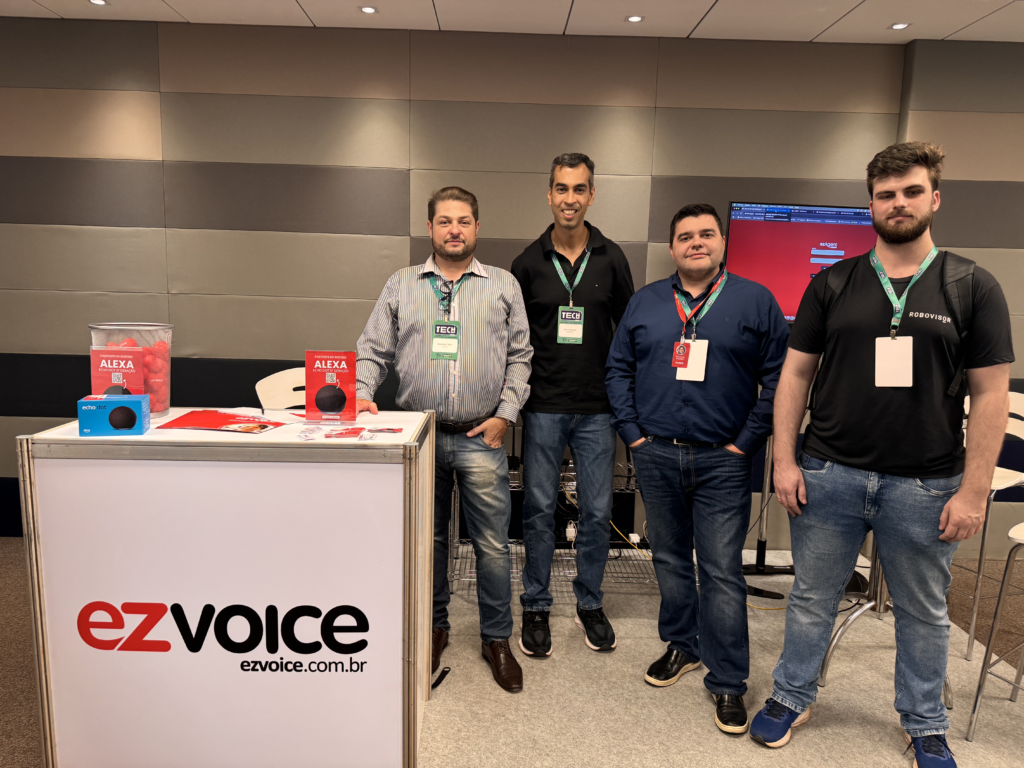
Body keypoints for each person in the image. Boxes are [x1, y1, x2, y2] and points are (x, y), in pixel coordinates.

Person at [750, 142, 1013, 768]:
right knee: (812, 597)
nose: (899, 203)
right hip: (829, 473)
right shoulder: (833, 283)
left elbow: (991, 394)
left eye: (911, 191)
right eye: (886, 194)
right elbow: (794, 376)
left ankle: (924, 723)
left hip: (925, 485)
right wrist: (784, 461)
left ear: (934, 198)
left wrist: (974, 491)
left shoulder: (971, 286)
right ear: (870, 205)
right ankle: (791, 694)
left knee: (923, 612)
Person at [606, 203, 790, 734]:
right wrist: (632, 434)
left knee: (721, 570)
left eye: (707, 234)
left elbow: (780, 378)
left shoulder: (756, 301)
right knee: (668, 558)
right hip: (656, 453)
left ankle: (728, 679)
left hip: (723, 461)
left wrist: (745, 443)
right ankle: (681, 645)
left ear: (722, 243)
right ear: (672, 247)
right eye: (685, 236)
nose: (696, 243)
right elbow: (617, 369)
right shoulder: (645, 302)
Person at [356, 186, 533, 693]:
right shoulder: (401, 284)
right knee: (428, 542)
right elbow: (372, 348)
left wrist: (505, 416)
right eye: (444, 221)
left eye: (463, 221)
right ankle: (434, 627)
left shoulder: (503, 285)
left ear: (477, 228)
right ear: (430, 228)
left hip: (482, 435)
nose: (454, 230)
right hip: (421, 434)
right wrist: (363, 393)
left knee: (493, 546)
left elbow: (521, 356)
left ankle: (496, 638)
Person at [510, 153, 635, 657]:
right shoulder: (526, 263)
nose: (570, 199)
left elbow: (628, 333)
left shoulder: (612, 257)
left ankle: (590, 601)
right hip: (542, 405)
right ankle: (536, 603)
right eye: (561, 188)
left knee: (597, 511)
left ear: (591, 195)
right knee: (539, 508)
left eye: (579, 189)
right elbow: (514, 341)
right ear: (549, 195)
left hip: (598, 408)